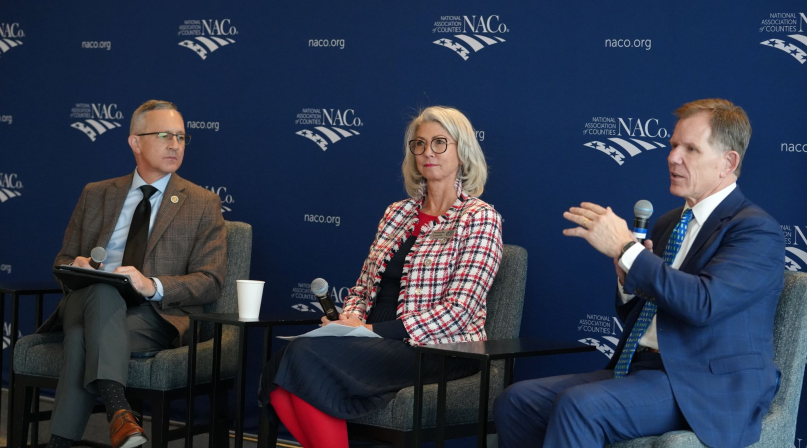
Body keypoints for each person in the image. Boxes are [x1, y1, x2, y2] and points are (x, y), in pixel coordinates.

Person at [493, 98, 784, 448]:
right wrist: (626, 278)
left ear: (728, 162)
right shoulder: (668, 223)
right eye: (674, 145)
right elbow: (641, 311)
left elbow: (703, 304)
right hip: (640, 368)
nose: (673, 157)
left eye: (690, 149)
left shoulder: (755, 230)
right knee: (516, 401)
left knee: (581, 407)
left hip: (704, 387)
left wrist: (626, 250)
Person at [258, 106, 503, 448]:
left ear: (462, 151)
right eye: (419, 144)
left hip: (441, 349)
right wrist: (352, 318)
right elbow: (362, 287)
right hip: (374, 338)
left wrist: (371, 330)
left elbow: (460, 310)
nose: (427, 152)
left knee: (300, 358)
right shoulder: (396, 213)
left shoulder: (479, 217)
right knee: (283, 367)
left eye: (439, 143)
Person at [41, 100, 227, 448]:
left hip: (152, 317)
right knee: (102, 290)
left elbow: (211, 280)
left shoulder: (203, 203)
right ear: (135, 142)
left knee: (82, 337)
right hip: (85, 302)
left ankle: (71, 437)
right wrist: (76, 266)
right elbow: (62, 261)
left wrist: (151, 285)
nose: (175, 144)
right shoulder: (96, 194)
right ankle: (120, 413)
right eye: (163, 135)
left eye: (181, 137)